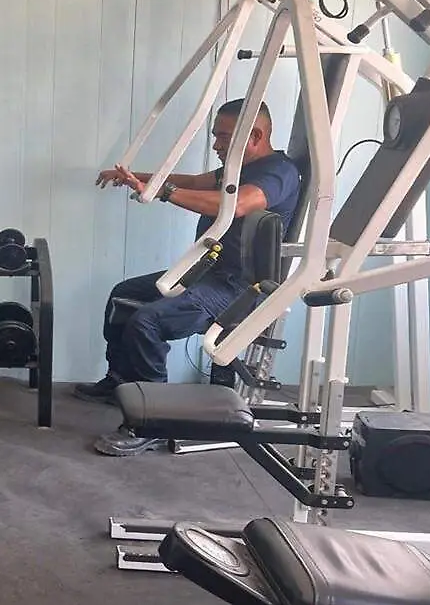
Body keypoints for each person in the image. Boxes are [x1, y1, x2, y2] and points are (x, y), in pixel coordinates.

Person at [75, 99, 302, 457]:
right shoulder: (236, 166)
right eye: (216, 137)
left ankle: (153, 422)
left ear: (255, 135)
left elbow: (239, 205)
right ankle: (119, 382)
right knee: (123, 296)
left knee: (147, 322)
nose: (216, 146)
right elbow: (194, 181)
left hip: (240, 286)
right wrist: (139, 179)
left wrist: (162, 193)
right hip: (206, 271)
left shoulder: (277, 173)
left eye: (223, 138)